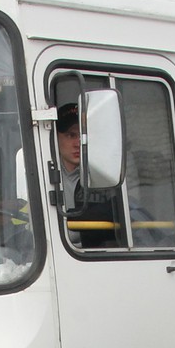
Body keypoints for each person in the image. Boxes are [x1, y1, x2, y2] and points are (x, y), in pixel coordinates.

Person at [55, 102, 121, 247]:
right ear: (55, 137)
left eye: (84, 134)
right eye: (71, 135)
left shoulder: (108, 174)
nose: (79, 143)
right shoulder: (43, 176)